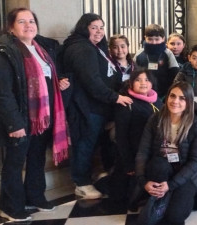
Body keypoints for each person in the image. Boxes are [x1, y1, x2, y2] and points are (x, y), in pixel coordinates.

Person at [0, 8, 69, 222]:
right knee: (14, 163)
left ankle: (34, 197)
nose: (28, 25)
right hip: (21, 117)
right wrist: (14, 123)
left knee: (36, 159)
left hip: (41, 118)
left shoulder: (40, 48)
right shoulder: (3, 50)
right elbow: (0, 91)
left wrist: (58, 83)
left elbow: (43, 80)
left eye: (31, 21)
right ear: (11, 27)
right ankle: (10, 206)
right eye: (21, 22)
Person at [60, 13, 133, 199]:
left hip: (99, 107)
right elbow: (91, 81)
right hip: (87, 108)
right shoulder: (81, 48)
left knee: (93, 144)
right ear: (84, 28)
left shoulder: (95, 47)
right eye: (94, 27)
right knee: (84, 144)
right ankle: (81, 183)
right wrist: (114, 97)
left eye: (101, 27)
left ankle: (91, 177)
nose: (99, 31)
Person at [135, 82, 197, 225]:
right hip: (160, 169)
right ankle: (159, 198)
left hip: (186, 176)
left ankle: (165, 198)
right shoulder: (155, 119)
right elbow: (143, 152)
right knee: (158, 163)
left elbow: (196, 161)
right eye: (172, 96)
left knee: (174, 218)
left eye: (182, 98)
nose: (175, 101)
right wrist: (143, 181)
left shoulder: (196, 124)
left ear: (189, 102)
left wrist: (170, 185)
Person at [111, 70, 161, 203]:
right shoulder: (127, 103)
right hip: (133, 154)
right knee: (125, 196)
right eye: (138, 80)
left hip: (152, 152)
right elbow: (121, 137)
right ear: (131, 83)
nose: (143, 83)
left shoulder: (158, 101)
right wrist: (128, 163)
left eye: (147, 80)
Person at [134, 24, 180, 98]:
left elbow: (175, 74)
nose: (154, 42)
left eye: (157, 39)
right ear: (145, 38)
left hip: (164, 94)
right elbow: (133, 73)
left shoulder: (168, 53)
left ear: (163, 38)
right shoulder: (139, 53)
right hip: (143, 93)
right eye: (150, 39)